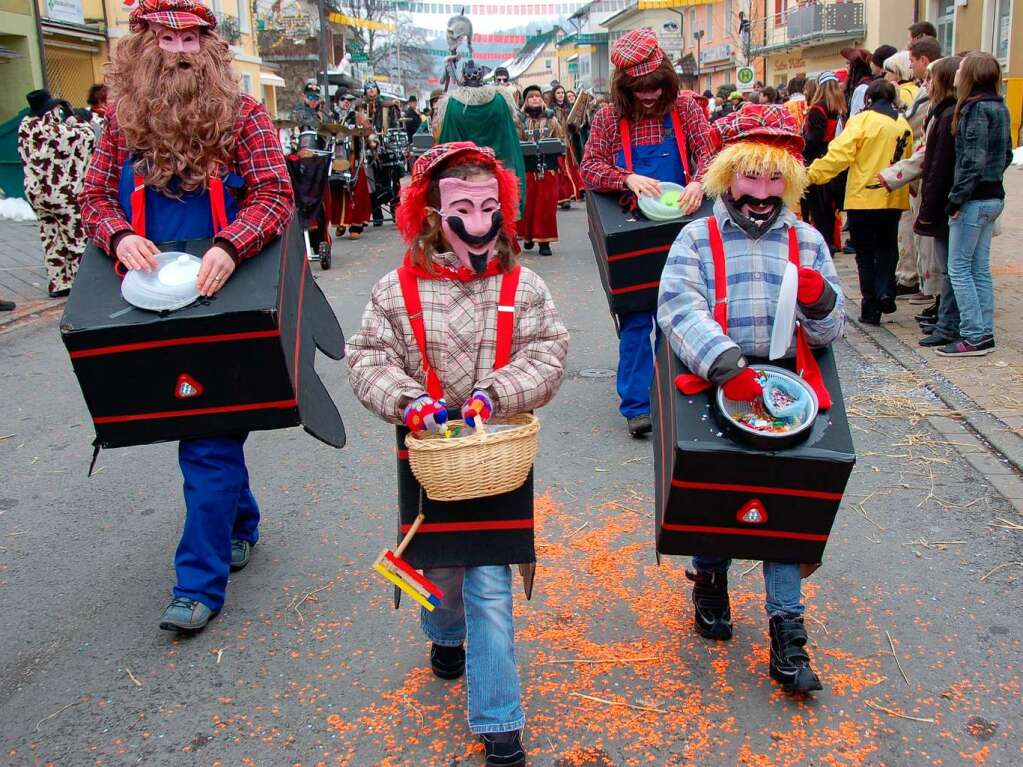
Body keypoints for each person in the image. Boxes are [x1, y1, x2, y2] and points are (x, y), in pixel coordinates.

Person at [346, 141, 569, 767]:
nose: (478, 220)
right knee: (440, 572)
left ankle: (501, 725)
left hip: (495, 453)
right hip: (427, 457)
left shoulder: (524, 286)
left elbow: (548, 351)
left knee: (491, 583)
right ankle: (443, 633)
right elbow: (366, 357)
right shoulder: (396, 289)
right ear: (431, 214)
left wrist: (496, 393)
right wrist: (408, 399)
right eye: (462, 207)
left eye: (489, 204)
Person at [79, 0, 294, 632]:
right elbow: (91, 195)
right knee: (198, 420)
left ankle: (197, 583)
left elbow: (275, 193)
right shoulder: (120, 121)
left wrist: (233, 245)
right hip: (146, 295)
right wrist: (117, 235)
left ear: (210, 44)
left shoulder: (244, 114)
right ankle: (242, 521)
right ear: (142, 42)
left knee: (205, 438)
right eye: (166, 37)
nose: (179, 50)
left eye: (192, 37)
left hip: (225, 294)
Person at [657, 105, 844, 693]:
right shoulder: (695, 237)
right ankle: (710, 575)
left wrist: (819, 303)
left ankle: (788, 634)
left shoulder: (808, 239)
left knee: (785, 508)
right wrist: (725, 363)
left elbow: (831, 331)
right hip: (719, 383)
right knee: (720, 490)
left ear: (789, 181)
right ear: (726, 178)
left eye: (773, 181)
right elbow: (676, 308)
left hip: (788, 389)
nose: (761, 194)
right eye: (749, 179)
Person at [580, 28, 716, 438]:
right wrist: (626, 178)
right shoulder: (608, 117)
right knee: (637, 317)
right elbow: (589, 168)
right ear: (624, 86)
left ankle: (679, 399)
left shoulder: (687, 108)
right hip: (634, 234)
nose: (650, 95)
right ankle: (637, 405)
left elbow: (710, 154)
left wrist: (700, 181)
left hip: (683, 227)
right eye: (639, 88)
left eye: (655, 86)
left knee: (684, 313)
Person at [808, 80, 913, 326]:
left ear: (868, 99)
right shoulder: (902, 124)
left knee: (865, 253)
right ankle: (886, 289)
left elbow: (840, 154)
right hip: (893, 196)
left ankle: (870, 307)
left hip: (863, 196)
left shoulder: (862, 121)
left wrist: (812, 174)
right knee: (887, 246)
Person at [882, 56, 963, 348]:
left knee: (953, 264)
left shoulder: (947, 114)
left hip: (946, 197)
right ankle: (945, 312)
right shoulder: (943, 112)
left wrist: (894, 176)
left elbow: (932, 159)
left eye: (929, 80)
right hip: (943, 194)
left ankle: (951, 318)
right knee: (946, 260)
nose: (924, 84)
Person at [936, 52, 1013, 357]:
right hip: (993, 196)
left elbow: (973, 159)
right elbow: (1005, 154)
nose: (956, 73)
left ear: (970, 75)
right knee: (979, 267)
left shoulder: (974, 108)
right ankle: (983, 332)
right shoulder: (1000, 106)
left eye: (962, 69)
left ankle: (973, 333)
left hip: (974, 199)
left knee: (958, 267)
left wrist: (956, 198)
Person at [17, 89, 95, 297]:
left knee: (50, 236)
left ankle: (59, 282)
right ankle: (82, 284)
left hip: (36, 193)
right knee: (76, 237)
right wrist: (76, 119)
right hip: (61, 193)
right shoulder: (55, 131)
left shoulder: (25, 126)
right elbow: (87, 138)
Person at [433, 59, 527, 216]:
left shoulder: (452, 105)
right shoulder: (500, 100)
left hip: (464, 176)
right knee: (500, 218)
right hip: (498, 173)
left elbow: (448, 143)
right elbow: (510, 139)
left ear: (463, 77)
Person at [802, 71, 847, 252]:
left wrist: (801, 143)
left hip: (817, 161)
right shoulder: (840, 109)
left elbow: (814, 138)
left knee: (818, 208)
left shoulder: (817, 109)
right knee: (829, 207)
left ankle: (824, 245)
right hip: (835, 159)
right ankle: (830, 241)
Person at [518, 85, 563, 256]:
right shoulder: (521, 121)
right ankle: (529, 237)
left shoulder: (552, 119)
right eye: (531, 97)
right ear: (526, 101)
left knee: (546, 206)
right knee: (529, 205)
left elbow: (561, 139)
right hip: (528, 167)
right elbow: (517, 142)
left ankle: (545, 243)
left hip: (548, 167)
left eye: (537, 96)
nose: (535, 99)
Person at [548, 83, 583, 207]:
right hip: (558, 142)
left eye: (562, 93)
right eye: (558, 93)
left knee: (572, 166)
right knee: (561, 169)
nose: (561, 95)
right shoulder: (550, 110)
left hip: (569, 142)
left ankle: (577, 190)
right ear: (554, 95)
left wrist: (574, 126)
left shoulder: (569, 108)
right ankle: (563, 196)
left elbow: (576, 126)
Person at [842, 47, 874, 119]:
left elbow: (854, 119)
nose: (847, 66)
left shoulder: (862, 88)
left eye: (849, 63)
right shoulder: (869, 83)